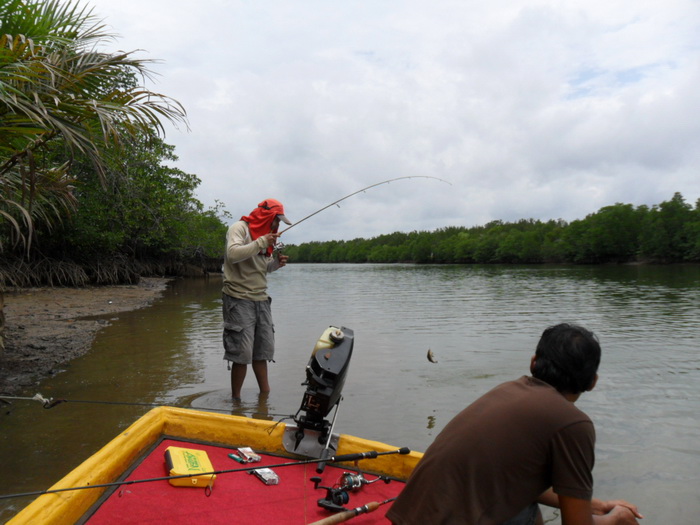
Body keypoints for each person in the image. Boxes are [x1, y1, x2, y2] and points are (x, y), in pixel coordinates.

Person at [387, 323, 644, 525]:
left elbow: (511, 482)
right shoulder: (573, 423)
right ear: (593, 382)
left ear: (533, 362)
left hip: (407, 517)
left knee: (520, 504)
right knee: (526, 512)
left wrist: (595, 505)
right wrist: (617, 519)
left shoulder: (507, 390)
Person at [222, 198, 291, 400]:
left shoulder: (266, 238)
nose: (277, 226)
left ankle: (265, 399)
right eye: (276, 221)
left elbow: (263, 267)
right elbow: (233, 254)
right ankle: (236, 401)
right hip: (237, 298)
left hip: (261, 299)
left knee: (262, 352)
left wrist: (275, 264)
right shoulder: (239, 228)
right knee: (241, 354)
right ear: (266, 217)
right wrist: (261, 241)